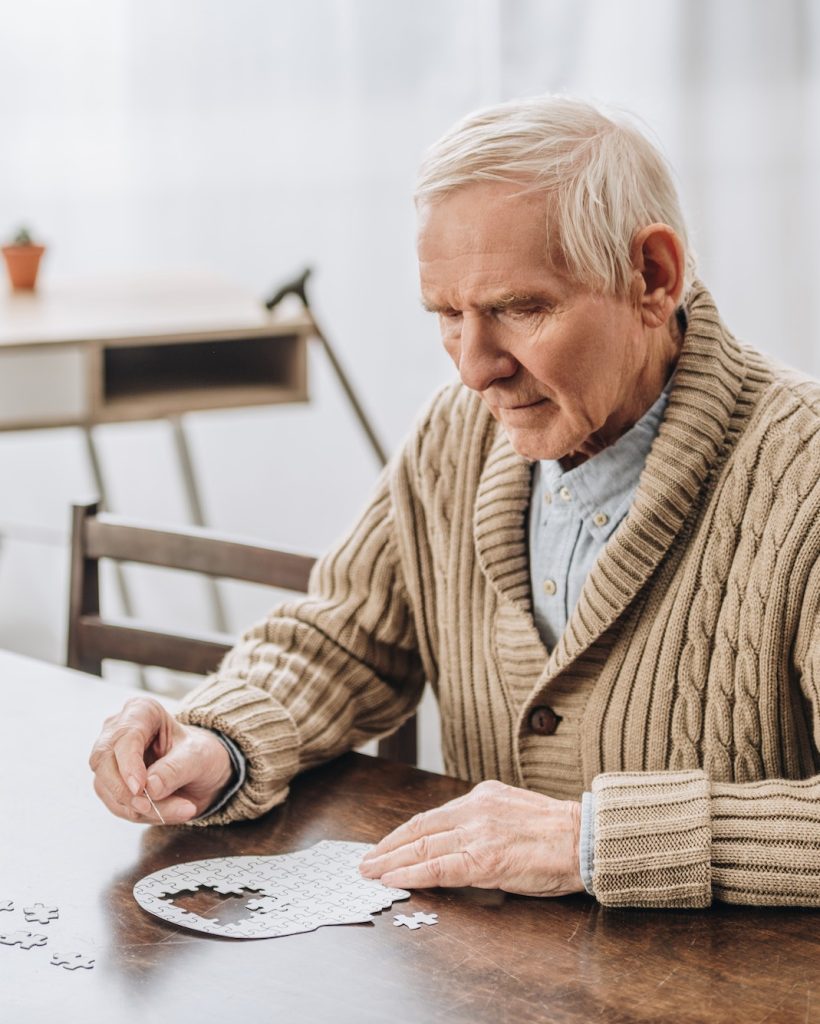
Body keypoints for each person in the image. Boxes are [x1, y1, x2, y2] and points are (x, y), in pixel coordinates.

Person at [89, 96, 820, 908]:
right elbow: (347, 638)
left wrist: (590, 841)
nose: (474, 368)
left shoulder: (804, 474)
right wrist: (216, 740)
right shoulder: (457, 434)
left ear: (653, 276)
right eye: (447, 315)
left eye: (518, 308)